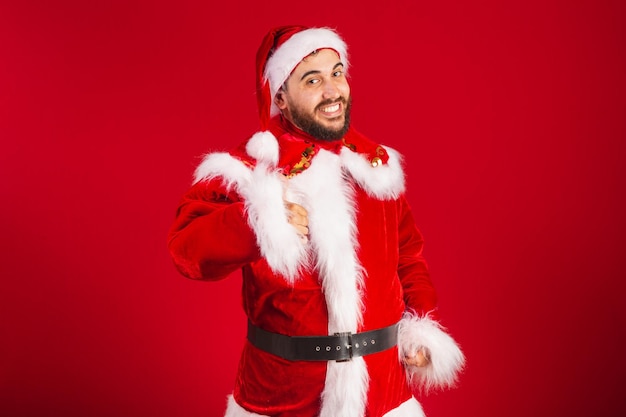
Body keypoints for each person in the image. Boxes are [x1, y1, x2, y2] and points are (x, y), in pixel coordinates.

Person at [168, 25, 465, 417]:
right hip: (282, 399)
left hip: (383, 397)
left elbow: (408, 257)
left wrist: (420, 327)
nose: (332, 91)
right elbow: (187, 251)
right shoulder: (248, 170)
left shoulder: (375, 167)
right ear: (281, 97)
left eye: (337, 73)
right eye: (313, 79)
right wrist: (254, 221)